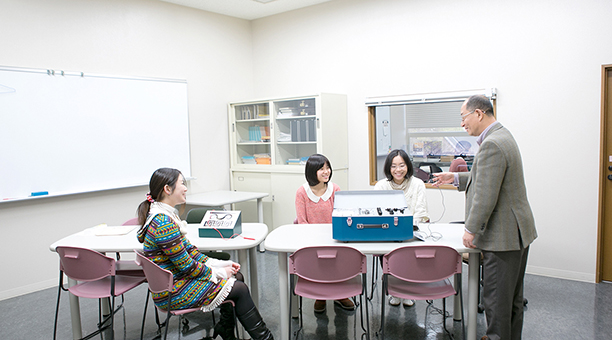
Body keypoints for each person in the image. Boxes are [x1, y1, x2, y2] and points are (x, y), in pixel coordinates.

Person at [432, 95, 537, 340]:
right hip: (516, 232)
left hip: (502, 237)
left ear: (478, 113)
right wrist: (455, 178)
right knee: (512, 301)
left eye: (463, 118)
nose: (462, 124)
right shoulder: (501, 136)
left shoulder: (492, 144)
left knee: (496, 303)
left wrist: (471, 229)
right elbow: (487, 177)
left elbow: (486, 195)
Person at [137, 168, 273, 340]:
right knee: (240, 289)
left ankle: (225, 328)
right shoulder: (163, 222)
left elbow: (191, 252)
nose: (186, 188)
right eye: (182, 184)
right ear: (167, 189)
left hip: (175, 282)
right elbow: (187, 267)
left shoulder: (163, 216)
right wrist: (219, 273)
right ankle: (266, 338)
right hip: (174, 291)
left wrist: (219, 264)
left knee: (236, 277)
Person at [294, 154, 355, 313]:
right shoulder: (302, 192)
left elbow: (341, 215)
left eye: (328, 168)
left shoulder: (335, 189)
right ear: (312, 171)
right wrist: (314, 239)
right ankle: (320, 296)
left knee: (339, 261)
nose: (326, 171)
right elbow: (302, 221)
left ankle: (340, 295)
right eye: (322, 169)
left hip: (334, 237)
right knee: (319, 263)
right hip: (312, 239)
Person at [374, 149, 430, 307]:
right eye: (393, 166)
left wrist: (407, 229)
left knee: (408, 252)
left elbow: (420, 213)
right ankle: (393, 290)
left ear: (408, 166)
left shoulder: (417, 184)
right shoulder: (381, 186)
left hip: (411, 232)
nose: (398, 170)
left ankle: (407, 291)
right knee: (389, 253)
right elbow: (377, 213)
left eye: (401, 165)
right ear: (388, 168)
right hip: (386, 233)